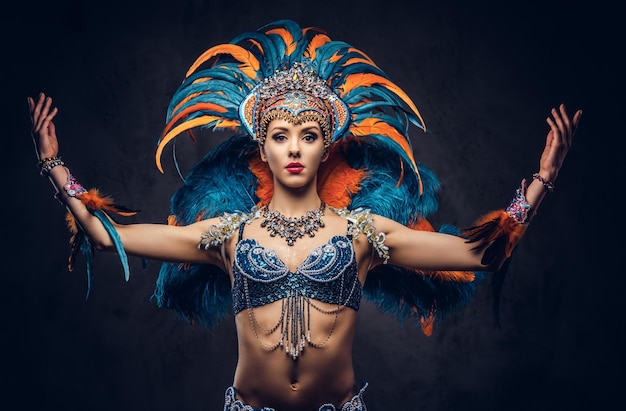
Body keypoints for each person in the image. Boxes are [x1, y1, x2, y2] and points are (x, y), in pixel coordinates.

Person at [28, 19, 581, 411]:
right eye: (280, 136)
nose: (295, 148)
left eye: (309, 136)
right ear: (262, 148)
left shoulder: (365, 232)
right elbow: (107, 236)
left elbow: (477, 254)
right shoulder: (226, 235)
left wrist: (543, 177)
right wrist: (54, 164)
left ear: (325, 148)